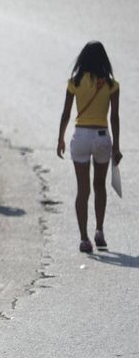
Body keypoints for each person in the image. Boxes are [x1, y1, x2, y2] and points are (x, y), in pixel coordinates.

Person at [56, 41, 121, 253]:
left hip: (81, 136)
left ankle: (84, 239)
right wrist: (116, 147)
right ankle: (99, 231)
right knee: (100, 186)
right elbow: (114, 118)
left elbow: (66, 113)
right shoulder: (111, 85)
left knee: (82, 190)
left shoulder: (74, 82)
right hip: (102, 137)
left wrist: (60, 138)